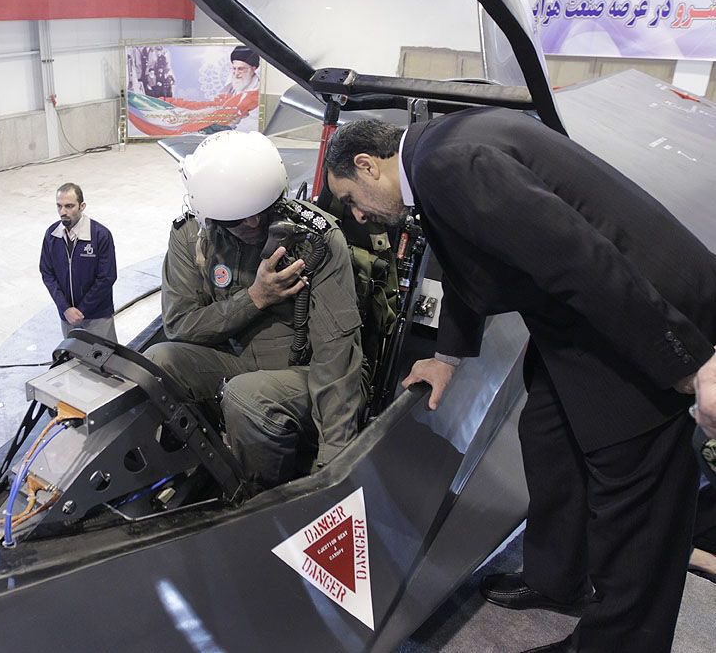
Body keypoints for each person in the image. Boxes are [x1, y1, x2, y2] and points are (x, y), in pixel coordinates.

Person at [325, 113, 716, 653]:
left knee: (638, 504)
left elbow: (581, 261)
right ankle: (558, 578)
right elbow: (464, 254)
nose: (357, 214)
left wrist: (690, 363)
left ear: (367, 165)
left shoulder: (448, 164)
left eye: (350, 198)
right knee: (549, 435)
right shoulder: (437, 149)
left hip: (644, 318)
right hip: (581, 320)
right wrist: (447, 357)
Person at [145, 130, 365, 491]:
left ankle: (258, 496)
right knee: (157, 362)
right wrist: (256, 298)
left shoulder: (317, 240)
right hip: (238, 364)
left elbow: (336, 354)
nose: (253, 224)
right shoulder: (191, 236)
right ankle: (183, 472)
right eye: (238, 218)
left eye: (262, 212)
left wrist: (334, 471)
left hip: (307, 374)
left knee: (247, 396)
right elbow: (180, 324)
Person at [39, 183, 118, 343]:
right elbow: (47, 273)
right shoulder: (52, 235)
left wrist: (81, 310)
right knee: (73, 356)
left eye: (69, 206)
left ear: (82, 206)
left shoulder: (100, 235)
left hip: (97, 316)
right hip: (67, 317)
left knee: (105, 355)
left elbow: (107, 277)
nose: (63, 212)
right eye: (59, 206)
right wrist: (65, 309)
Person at [163, 46, 261, 133]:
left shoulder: (254, 94)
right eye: (234, 69)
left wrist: (188, 116)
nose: (236, 73)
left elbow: (223, 114)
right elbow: (215, 105)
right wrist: (175, 104)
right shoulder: (233, 85)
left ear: (253, 68)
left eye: (240, 69)